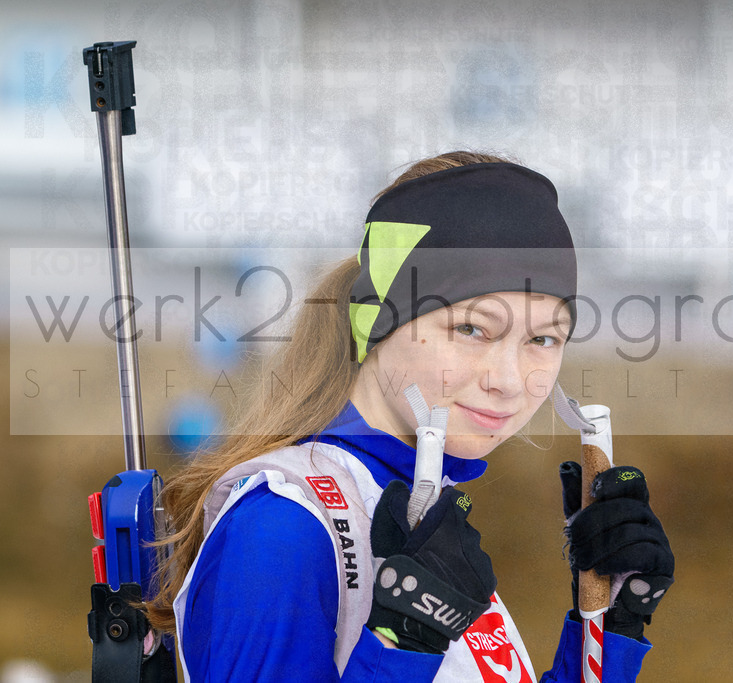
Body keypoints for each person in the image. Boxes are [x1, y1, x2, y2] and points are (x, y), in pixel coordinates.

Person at [147, 151, 675, 681]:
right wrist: (402, 645)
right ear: (378, 321)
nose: (511, 380)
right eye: (471, 329)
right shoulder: (282, 528)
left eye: (542, 339)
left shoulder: (418, 513)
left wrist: (610, 624)